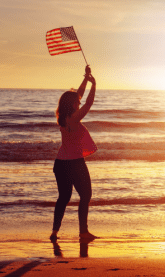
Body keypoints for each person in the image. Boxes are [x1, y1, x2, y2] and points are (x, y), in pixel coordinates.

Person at [50, 65, 98, 242]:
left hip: (60, 163)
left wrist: (86, 78)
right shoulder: (75, 118)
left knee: (64, 197)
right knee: (85, 195)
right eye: (76, 101)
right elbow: (88, 103)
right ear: (72, 104)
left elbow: (78, 96)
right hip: (75, 163)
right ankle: (83, 232)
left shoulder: (63, 117)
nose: (79, 102)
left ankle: (55, 232)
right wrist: (94, 85)